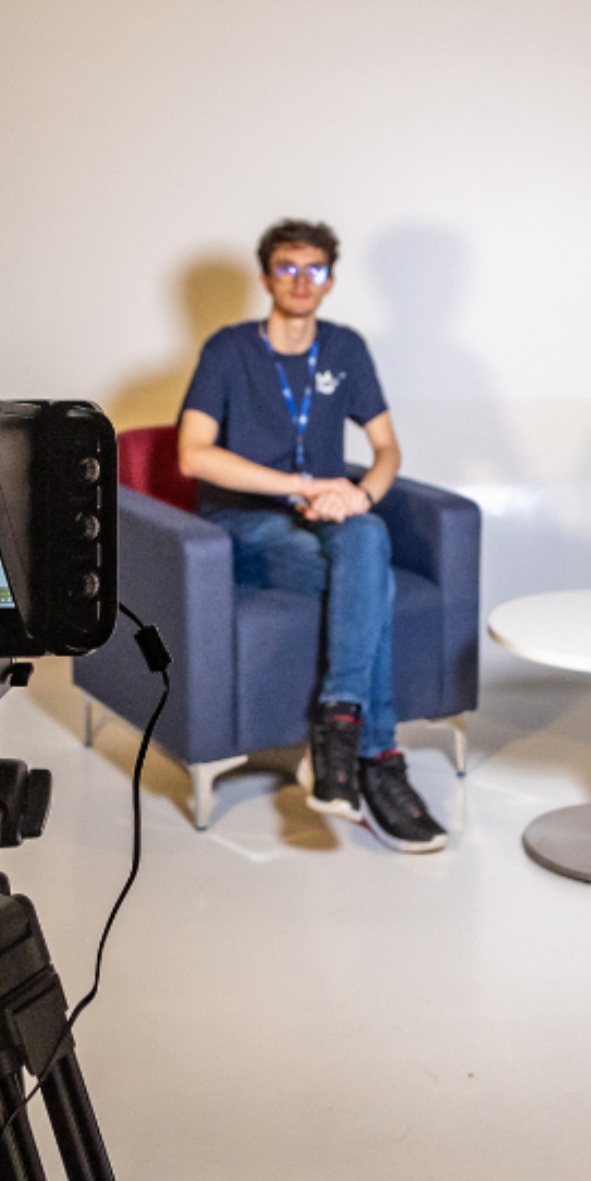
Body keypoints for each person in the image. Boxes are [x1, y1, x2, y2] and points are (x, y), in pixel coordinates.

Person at [175, 218, 447, 852]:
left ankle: (337, 729)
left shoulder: (346, 349)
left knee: (368, 535)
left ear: (330, 280)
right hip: (242, 523)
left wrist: (361, 492)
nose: (301, 281)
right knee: (366, 580)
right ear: (268, 275)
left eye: (315, 270)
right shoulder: (228, 349)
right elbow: (194, 455)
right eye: (288, 268)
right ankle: (377, 757)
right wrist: (300, 486)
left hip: (326, 514)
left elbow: (385, 448)